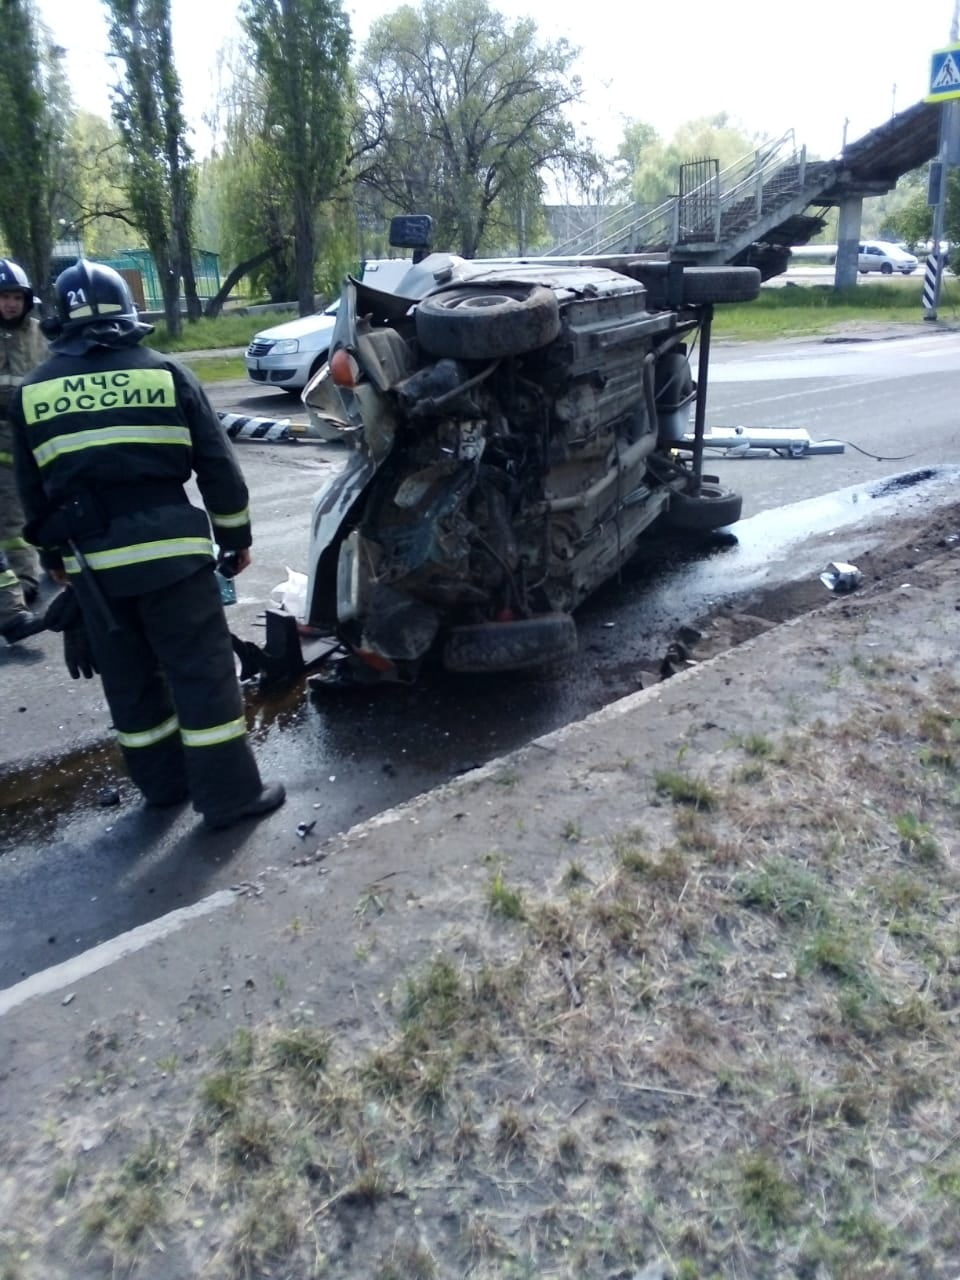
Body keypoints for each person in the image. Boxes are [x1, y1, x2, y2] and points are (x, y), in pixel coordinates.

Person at [10, 258, 285, 830]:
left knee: (129, 681)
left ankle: (163, 789)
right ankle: (229, 798)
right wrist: (235, 540)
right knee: (201, 675)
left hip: (94, 567)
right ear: (127, 314)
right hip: (172, 558)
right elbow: (217, 468)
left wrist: (57, 562)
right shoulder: (165, 372)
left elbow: (31, 493)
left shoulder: (32, 392)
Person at [0, 259, 46, 601]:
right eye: (3, 297)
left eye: (16, 296)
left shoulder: (39, 334)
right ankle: (25, 582)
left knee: (41, 510)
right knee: (12, 519)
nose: (10, 303)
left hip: (36, 441)